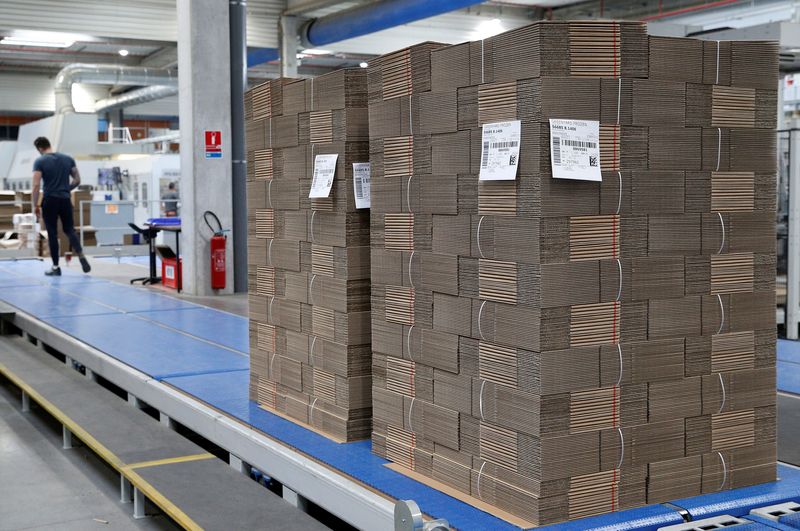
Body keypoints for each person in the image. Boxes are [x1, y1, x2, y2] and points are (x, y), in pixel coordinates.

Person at [31, 136, 91, 276]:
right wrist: (65, 189)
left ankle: (56, 267)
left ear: (40, 148)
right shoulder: (67, 158)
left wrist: (35, 205)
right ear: (49, 145)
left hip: (50, 200)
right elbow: (77, 180)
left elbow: (35, 185)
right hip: (65, 199)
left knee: (52, 233)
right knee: (69, 229)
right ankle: (81, 254)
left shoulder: (40, 161)